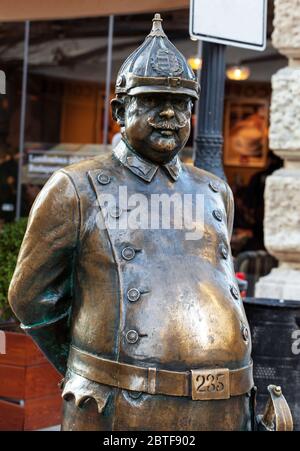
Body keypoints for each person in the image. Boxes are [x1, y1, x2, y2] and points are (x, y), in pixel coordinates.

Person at [8, 15, 291, 431]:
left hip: (226, 407)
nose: (170, 115)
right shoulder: (77, 188)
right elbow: (31, 299)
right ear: (121, 110)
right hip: (122, 409)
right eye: (154, 101)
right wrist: (91, 371)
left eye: (182, 105)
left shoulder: (213, 191)